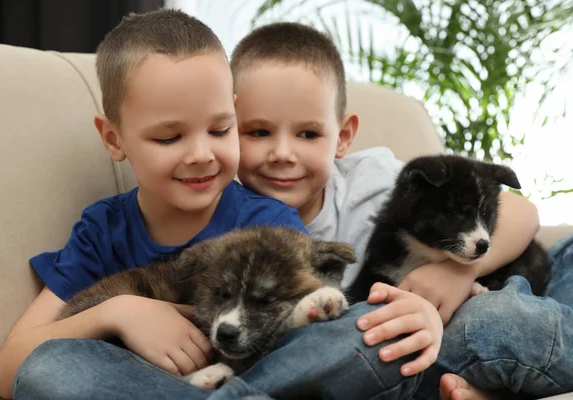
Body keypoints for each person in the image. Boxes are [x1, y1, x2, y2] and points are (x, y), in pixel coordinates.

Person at [0, 10, 440, 400]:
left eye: (221, 129)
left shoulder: (268, 221)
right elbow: (11, 366)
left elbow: (308, 340)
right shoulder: (102, 231)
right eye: (170, 137)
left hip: (263, 372)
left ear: (235, 111)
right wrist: (119, 311)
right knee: (46, 372)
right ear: (113, 138)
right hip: (144, 382)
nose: (202, 154)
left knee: (374, 332)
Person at [231, 21, 573, 399]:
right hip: (418, 341)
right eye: (258, 132)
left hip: (499, 289)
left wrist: (457, 271)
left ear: (342, 137)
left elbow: (522, 212)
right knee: (496, 320)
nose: (282, 153)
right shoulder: (225, 217)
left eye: (308, 134)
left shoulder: (372, 177)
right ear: (227, 129)